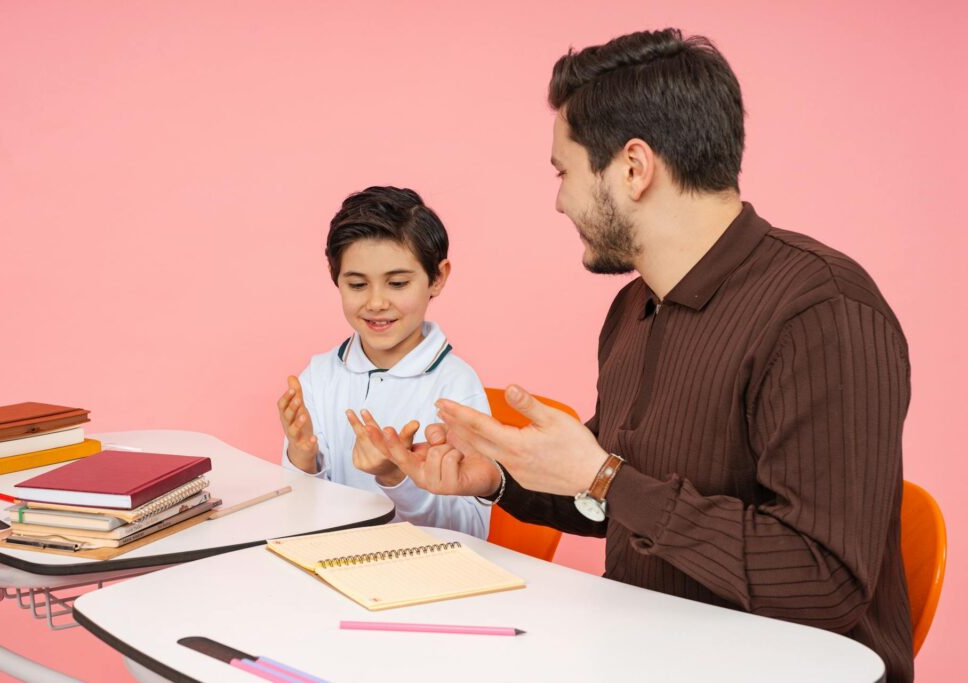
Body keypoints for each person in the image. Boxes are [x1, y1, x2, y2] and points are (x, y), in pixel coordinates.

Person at [361, 29, 914, 680]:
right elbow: (619, 499)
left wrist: (605, 476)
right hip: (641, 653)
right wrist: (501, 476)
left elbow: (824, 577)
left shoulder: (822, 312)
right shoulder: (634, 307)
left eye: (565, 171)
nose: (559, 199)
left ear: (633, 168)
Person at [277, 186, 491, 538]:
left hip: (422, 581)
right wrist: (302, 458)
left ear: (437, 278)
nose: (376, 302)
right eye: (358, 285)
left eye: (397, 283)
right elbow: (297, 517)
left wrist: (396, 476)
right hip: (331, 571)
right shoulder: (318, 376)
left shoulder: (456, 388)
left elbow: (471, 532)